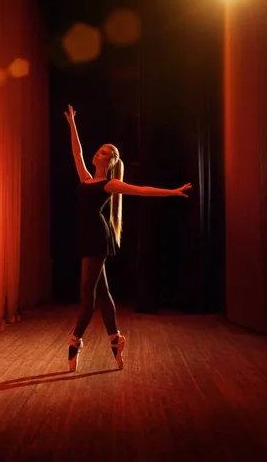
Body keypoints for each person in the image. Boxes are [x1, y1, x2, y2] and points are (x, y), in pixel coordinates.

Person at [64, 104, 192, 372]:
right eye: (99, 150)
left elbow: (142, 190)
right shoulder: (85, 178)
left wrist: (172, 191)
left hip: (97, 237)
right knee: (103, 291)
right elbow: (77, 151)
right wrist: (72, 124)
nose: (99, 153)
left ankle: (75, 341)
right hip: (87, 236)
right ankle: (115, 339)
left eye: (106, 153)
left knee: (87, 292)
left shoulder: (110, 184)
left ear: (111, 163)